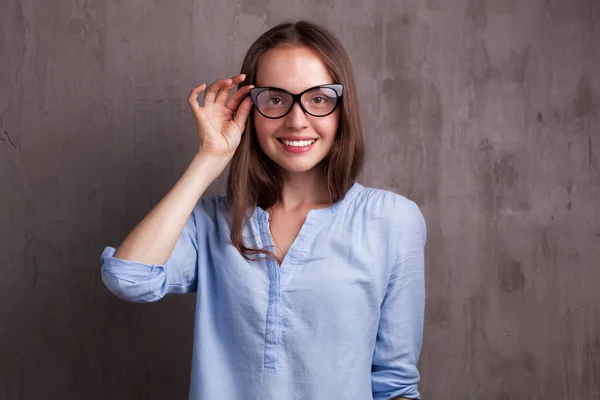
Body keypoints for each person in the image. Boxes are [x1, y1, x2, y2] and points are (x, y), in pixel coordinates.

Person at [100, 20, 426, 400]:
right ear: (249, 109)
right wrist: (210, 158)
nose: (297, 120)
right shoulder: (212, 223)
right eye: (275, 98)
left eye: (319, 98)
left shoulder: (392, 220)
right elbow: (129, 278)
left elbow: (396, 385)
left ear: (342, 108)